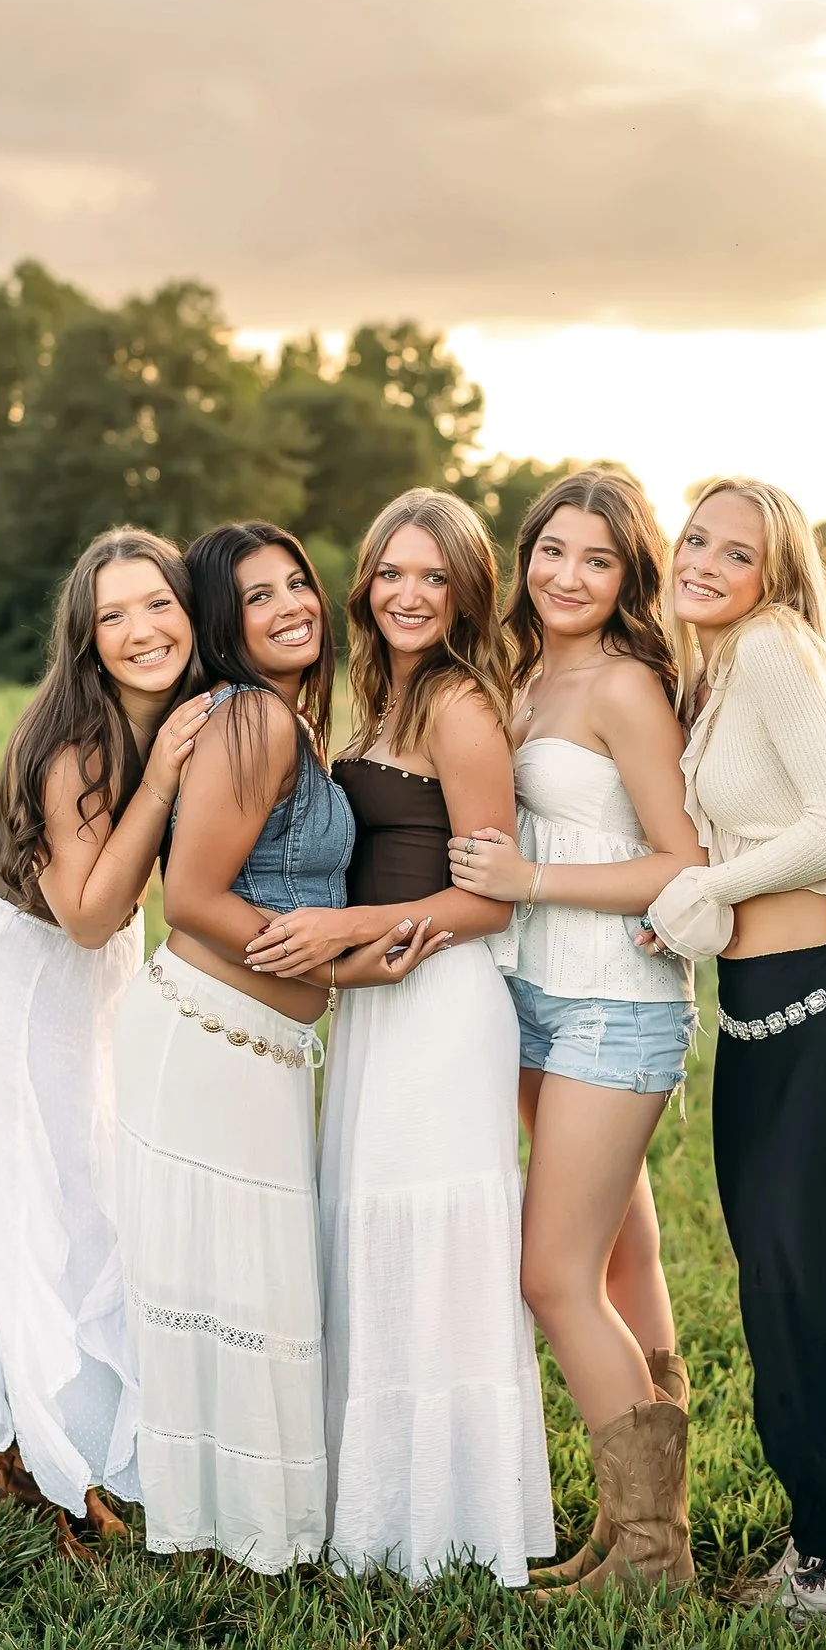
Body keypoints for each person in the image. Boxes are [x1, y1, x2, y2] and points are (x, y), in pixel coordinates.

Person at [114, 520, 449, 1574]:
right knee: (230, 1290)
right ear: (227, 622)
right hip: (210, 1038)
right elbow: (190, 896)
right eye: (257, 597)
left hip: (251, 1043)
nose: (292, 605)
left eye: (297, 582)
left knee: (240, 1286)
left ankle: (236, 1518)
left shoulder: (291, 723)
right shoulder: (255, 719)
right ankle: (238, 1526)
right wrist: (341, 970)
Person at [244, 488, 552, 1588]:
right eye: (390, 573)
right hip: (379, 1001)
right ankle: (370, 1506)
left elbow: (488, 900)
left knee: (428, 1246)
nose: (407, 594)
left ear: (466, 591)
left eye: (432, 576)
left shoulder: (460, 705)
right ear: (364, 582)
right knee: (369, 1235)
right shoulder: (383, 694)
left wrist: (346, 928)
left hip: (440, 998)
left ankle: (448, 1519)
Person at [642, 477, 826, 1618]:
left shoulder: (771, 648)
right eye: (695, 538)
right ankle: (824, 1527)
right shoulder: (717, 671)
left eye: (737, 550)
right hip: (762, 1013)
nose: (706, 562)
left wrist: (705, 882)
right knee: (778, 1283)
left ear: (774, 574)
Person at [0, 528, 213, 1559]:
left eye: (157, 604)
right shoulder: (82, 741)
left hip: (82, 986)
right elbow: (84, 911)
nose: (140, 630)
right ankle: (42, 1469)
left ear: (188, 610)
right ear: (85, 634)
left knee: (87, 1206)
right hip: (11, 980)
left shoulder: (175, 714)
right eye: (113, 614)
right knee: (29, 1211)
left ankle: (41, 1453)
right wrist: (164, 776)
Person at [445, 468, 702, 1592]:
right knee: (618, 1257)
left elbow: (682, 863)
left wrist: (533, 877)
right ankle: (629, 1519)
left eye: (597, 559)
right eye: (552, 550)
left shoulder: (625, 686)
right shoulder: (527, 672)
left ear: (626, 575)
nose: (566, 575)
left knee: (551, 1276)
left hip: (613, 1008)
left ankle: (653, 1554)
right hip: (537, 1003)